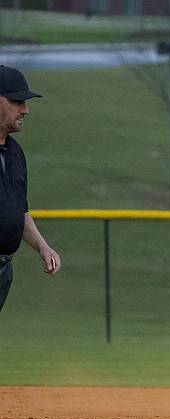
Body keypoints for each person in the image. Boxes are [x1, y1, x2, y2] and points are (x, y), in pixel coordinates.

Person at [0, 65, 61, 313]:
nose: (25, 109)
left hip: (4, 269)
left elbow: (18, 210)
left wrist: (42, 246)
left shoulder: (14, 153)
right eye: (17, 101)